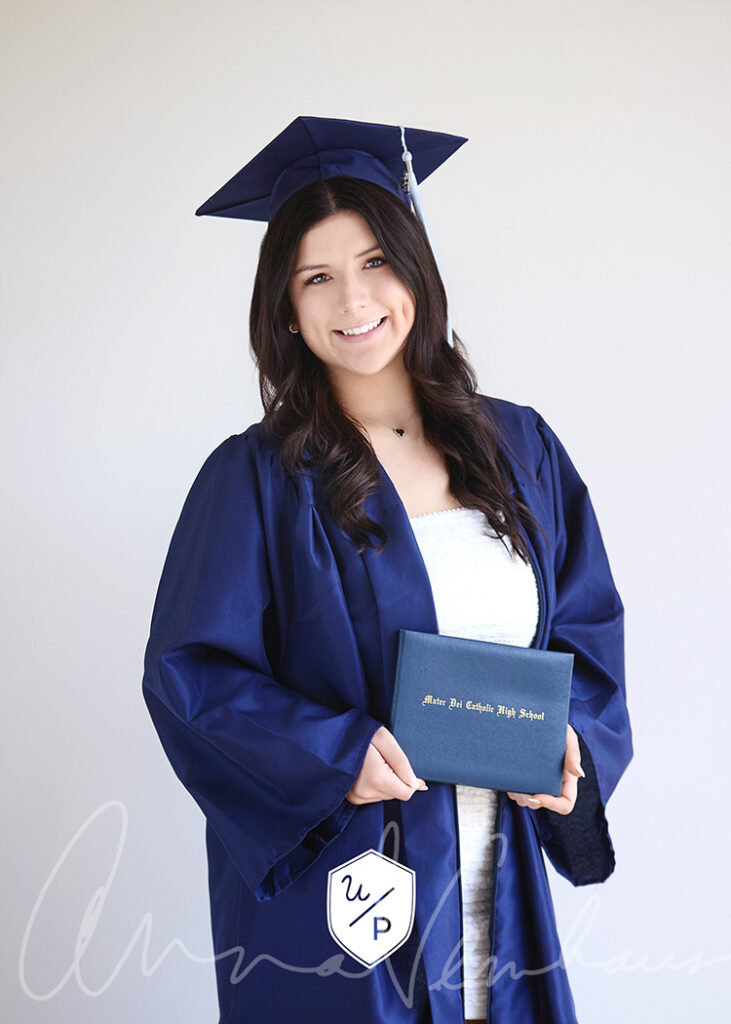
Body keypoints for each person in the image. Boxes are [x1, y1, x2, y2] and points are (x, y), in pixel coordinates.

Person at [141, 116, 633, 1024]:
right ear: (286, 307)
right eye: (316, 277)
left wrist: (571, 745)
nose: (353, 299)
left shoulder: (519, 447)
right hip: (347, 888)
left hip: (497, 870)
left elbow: (585, 629)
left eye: (374, 261)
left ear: (416, 268)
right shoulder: (255, 479)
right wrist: (332, 753)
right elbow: (189, 676)